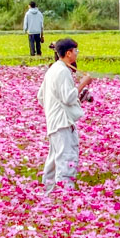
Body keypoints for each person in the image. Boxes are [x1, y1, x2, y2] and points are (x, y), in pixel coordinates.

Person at [38, 38, 92, 189]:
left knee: (54, 160)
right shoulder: (62, 71)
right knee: (66, 159)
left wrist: (52, 108)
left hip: (54, 121)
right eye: (76, 51)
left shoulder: (53, 69)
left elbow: (41, 96)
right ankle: (65, 193)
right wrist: (83, 83)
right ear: (68, 53)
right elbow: (68, 98)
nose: (77, 54)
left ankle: (48, 191)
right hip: (63, 122)